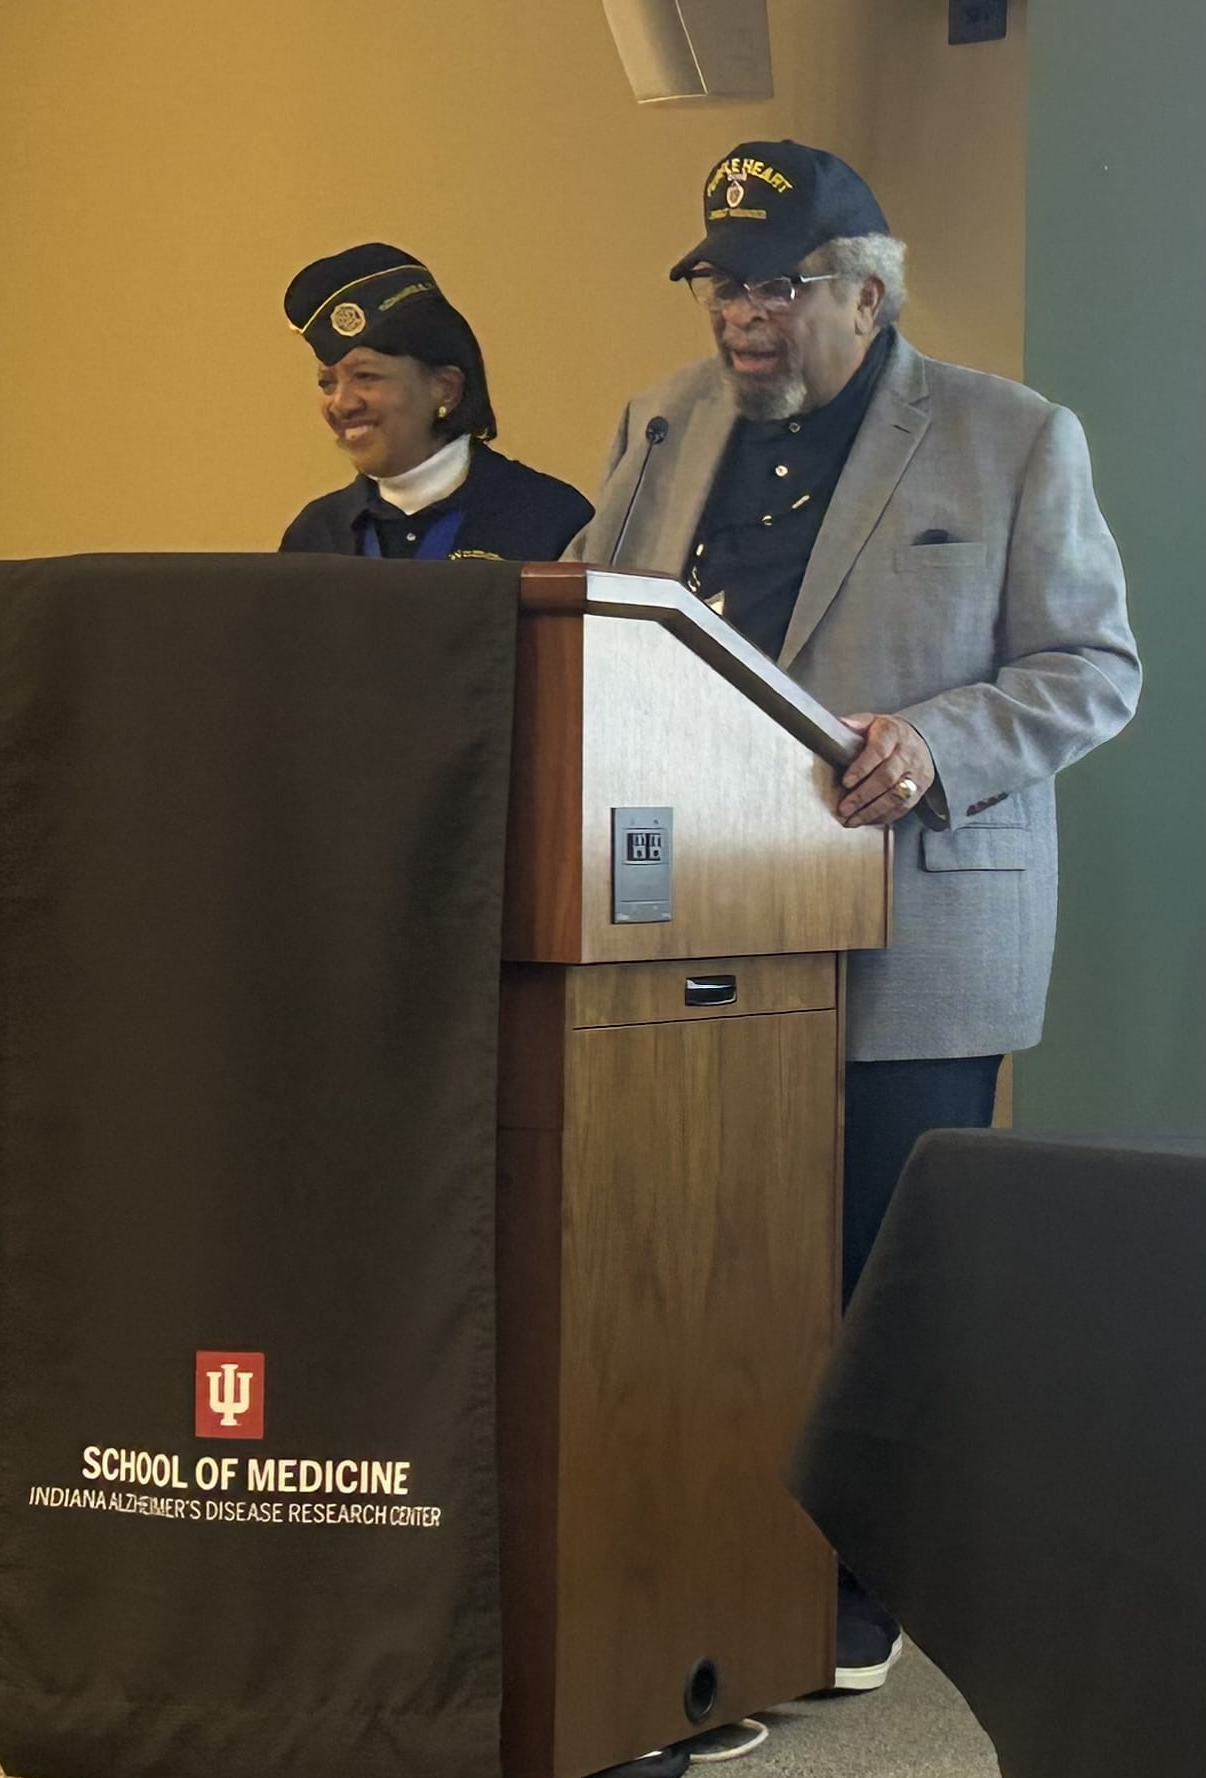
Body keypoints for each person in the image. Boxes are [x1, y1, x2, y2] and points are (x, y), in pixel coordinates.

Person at [566, 138, 1141, 1691]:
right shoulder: (660, 423)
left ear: (867, 295)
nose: (742, 321)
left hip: (913, 920)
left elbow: (1095, 669)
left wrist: (934, 744)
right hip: (683, 914)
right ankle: (711, 1544)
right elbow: (593, 616)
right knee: (705, 1255)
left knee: (873, 1273)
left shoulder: (1009, 437)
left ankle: (865, 1589)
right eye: (723, 288)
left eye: (778, 288)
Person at [279, 242, 591, 560]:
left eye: (366, 376)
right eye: (327, 383)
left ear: (446, 388)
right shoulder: (315, 534)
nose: (341, 404)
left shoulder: (552, 520)